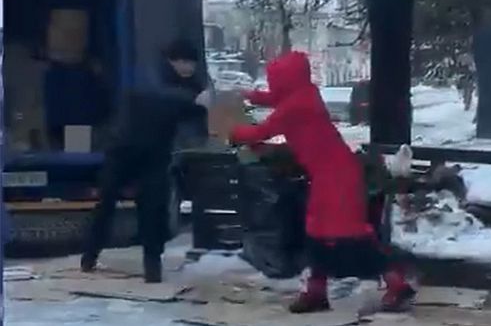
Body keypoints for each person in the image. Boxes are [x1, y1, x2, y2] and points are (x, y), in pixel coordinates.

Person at [231, 51, 416, 313]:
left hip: (337, 178)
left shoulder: (296, 106)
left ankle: (396, 284)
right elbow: (276, 99)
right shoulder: (304, 93)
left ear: (285, 80)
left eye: (275, 80)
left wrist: (229, 129)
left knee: (348, 238)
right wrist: (249, 95)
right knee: (317, 233)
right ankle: (316, 292)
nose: (273, 86)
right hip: (330, 175)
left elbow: (261, 131)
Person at [80, 40, 210, 283]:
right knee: (106, 203)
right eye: (186, 62)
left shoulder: (190, 85)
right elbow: (158, 98)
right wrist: (193, 101)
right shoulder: (153, 75)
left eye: (192, 63)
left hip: (155, 154)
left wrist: (203, 109)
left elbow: (194, 111)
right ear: (174, 60)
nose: (190, 68)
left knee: (153, 209)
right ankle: (90, 255)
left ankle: (153, 267)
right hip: (124, 149)